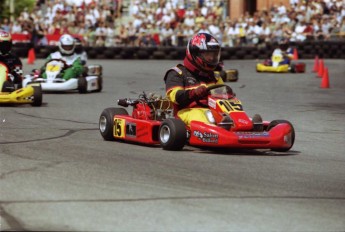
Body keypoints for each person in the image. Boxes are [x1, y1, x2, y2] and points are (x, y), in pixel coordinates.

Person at [164, 32, 230, 127]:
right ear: (195, 54)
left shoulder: (215, 76)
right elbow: (176, 97)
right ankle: (221, 130)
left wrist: (228, 95)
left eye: (214, 54)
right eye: (207, 54)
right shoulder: (177, 73)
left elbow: (223, 98)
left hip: (213, 110)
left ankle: (245, 125)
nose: (212, 58)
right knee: (204, 118)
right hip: (187, 111)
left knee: (231, 115)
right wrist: (194, 93)